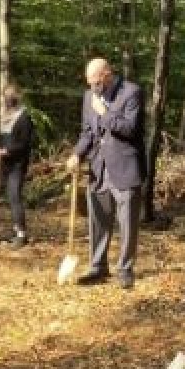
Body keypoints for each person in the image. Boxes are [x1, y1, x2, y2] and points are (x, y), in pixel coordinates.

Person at [66, 58, 145, 288]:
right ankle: (97, 267)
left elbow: (131, 129)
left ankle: (125, 268)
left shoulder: (132, 92)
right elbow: (88, 132)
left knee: (127, 222)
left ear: (107, 74)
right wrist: (77, 154)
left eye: (96, 82)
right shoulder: (89, 97)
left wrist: (106, 112)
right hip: (98, 168)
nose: (93, 87)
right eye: (89, 83)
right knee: (98, 219)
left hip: (124, 167)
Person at [0, 82, 36, 248]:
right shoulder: (6, 116)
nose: (7, 99)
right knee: (10, 197)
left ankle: (22, 234)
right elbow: (1, 138)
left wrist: (4, 151)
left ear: (17, 96)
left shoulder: (24, 118)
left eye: (10, 96)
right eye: (5, 96)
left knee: (15, 196)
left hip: (17, 165)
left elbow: (24, 144)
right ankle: (16, 229)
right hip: (5, 165)